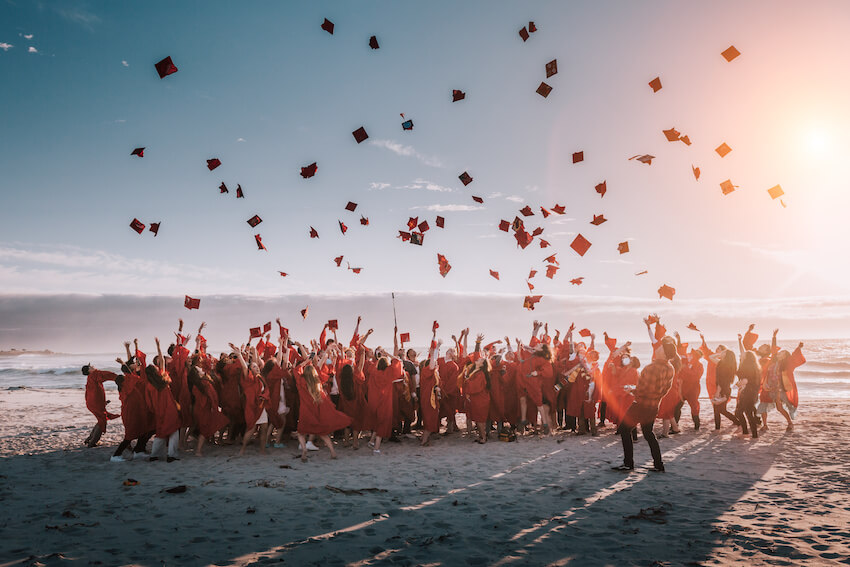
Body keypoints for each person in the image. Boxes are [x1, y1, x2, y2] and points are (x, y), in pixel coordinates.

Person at [612, 334, 680, 472]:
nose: (658, 348)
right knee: (649, 434)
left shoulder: (651, 368)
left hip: (640, 405)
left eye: (660, 348)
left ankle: (628, 463)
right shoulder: (670, 368)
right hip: (654, 406)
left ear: (663, 352)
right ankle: (658, 464)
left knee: (625, 430)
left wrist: (631, 390)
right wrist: (654, 397)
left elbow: (643, 390)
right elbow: (665, 389)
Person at [292, 342, 352, 462]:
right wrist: (327, 350)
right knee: (323, 433)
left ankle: (304, 451)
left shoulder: (300, 382)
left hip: (305, 411)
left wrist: (305, 362)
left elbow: (296, 369)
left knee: (301, 433)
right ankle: (333, 452)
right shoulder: (317, 380)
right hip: (316, 411)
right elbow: (320, 363)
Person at [757, 329, 805, 432]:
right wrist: (774, 337)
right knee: (763, 405)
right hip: (767, 387)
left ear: (785, 356)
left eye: (782, 353)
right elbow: (773, 348)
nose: (779, 353)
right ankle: (765, 425)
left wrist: (799, 347)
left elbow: (795, 357)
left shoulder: (786, 364)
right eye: (780, 352)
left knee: (779, 408)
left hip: (778, 389)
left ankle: (790, 423)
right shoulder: (773, 359)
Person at [144, 337, 181, 462]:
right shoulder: (162, 378)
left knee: (160, 432)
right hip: (169, 408)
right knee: (174, 430)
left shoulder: (149, 386)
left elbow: (148, 401)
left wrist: (153, 409)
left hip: (159, 411)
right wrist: (158, 347)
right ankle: (172, 455)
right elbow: (163, 363)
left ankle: (154, 455)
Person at [708, 348, 741, 431]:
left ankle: (737, 423)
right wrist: (721, 354)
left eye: (724, 352)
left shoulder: (722, 364)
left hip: (722, 388)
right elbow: (710, 357)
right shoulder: (728, 365)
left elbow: (721, 380)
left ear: (726, 355)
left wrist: (718, 391)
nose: (722, 352)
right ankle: (735, 422)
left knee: (719, 410)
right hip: (726, 388)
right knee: (720, 410)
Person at [735, 346, 761, 439]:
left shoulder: (747, 367)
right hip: (752, 392)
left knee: (746, 413)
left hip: (748, 392)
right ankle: (746, 432)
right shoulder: (755, 367)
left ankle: (753, 435)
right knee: (740, 412)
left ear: (747, 358)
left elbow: (745, 380)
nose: (741, 356)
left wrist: (738, 385)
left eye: (744, 355)